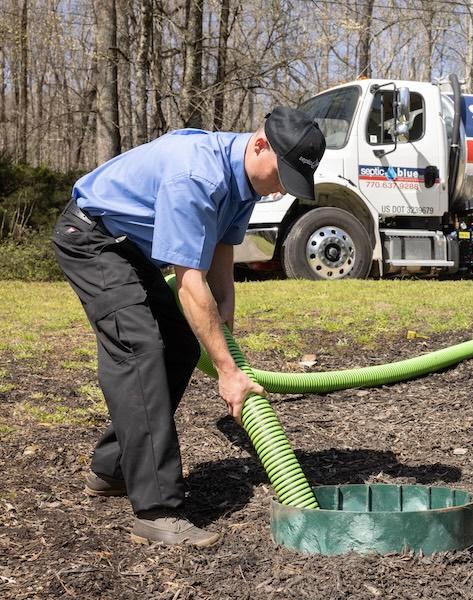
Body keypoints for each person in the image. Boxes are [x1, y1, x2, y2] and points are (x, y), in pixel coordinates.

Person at [52, 108, 326, 547]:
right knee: (139, 348)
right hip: (92, 239)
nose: (280, 189)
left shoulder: (245, 180)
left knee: (179, 346)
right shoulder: (196, 176)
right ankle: (158, 511)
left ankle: (113, 469)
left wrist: (227, 336)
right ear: (260, 145)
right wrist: (228, 373)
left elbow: (219, 256)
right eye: (281, 175)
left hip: (130, 248)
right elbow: (189, 281)